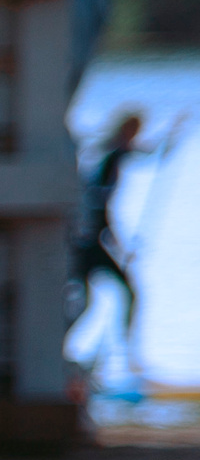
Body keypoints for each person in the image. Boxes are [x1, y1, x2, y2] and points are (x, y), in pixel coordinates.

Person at [69, 106, 145, 340]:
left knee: (90, 300)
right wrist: (119, 246)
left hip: (91, 240)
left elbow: (137, 154)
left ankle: (124, 345)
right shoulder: (109, 158)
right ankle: (123, 344)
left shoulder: (110, 154)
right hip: (87, 243)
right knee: (87, 301)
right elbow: (98, 210)